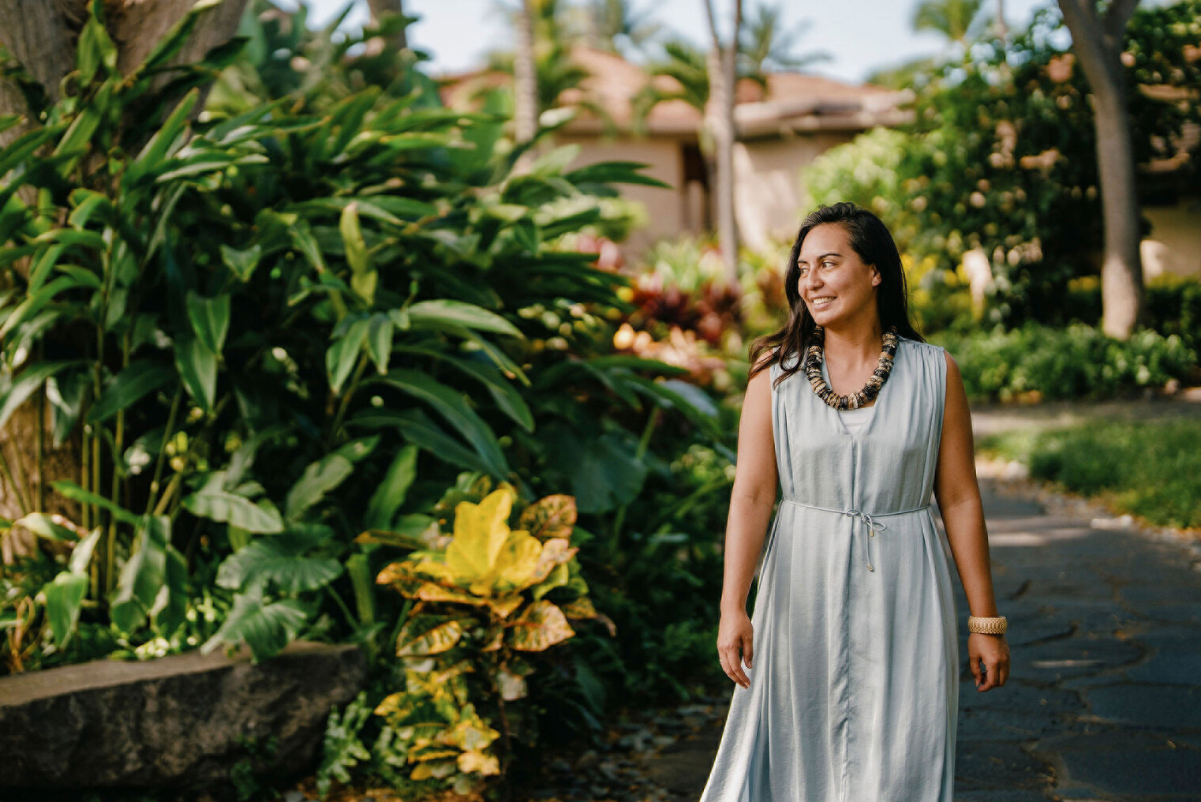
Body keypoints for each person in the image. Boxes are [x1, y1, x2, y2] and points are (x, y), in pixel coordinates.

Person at [699, 202, 1011, 802]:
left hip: (908, 587)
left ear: (875, 272)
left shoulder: (935, 373)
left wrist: (985, 621)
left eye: (829, 263)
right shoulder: (776, 376)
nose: (809, 280)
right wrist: (732, 606)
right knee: (797, 751)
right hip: (798, 588)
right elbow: (753, 494)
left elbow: (960, 497)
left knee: (905, 752)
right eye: (802, 267)